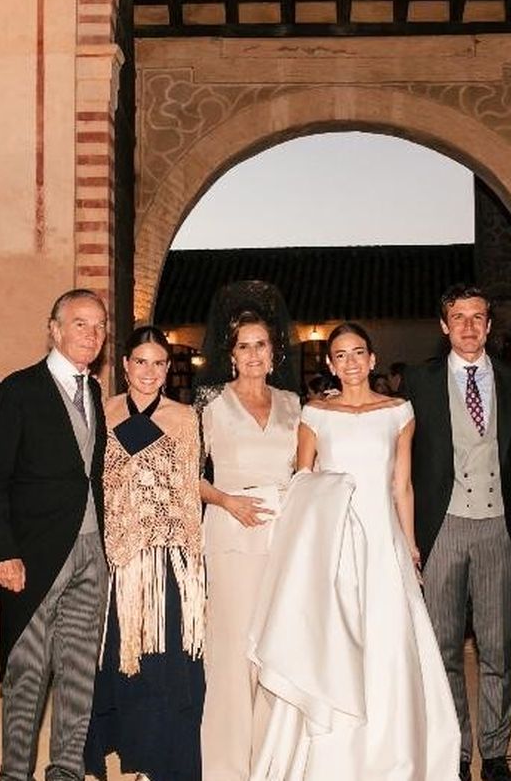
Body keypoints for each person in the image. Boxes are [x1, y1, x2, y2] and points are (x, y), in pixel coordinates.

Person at [248, 322, 460, 779]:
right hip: (336, 543)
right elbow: (302, 483)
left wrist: (411, 544)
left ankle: (392, 755)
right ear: (330, 364)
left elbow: (401, 485)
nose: (350, 362)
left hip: (384, 542)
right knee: (336, 643)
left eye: (358, 353)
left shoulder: (399, 411)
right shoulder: (315, 414)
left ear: (372, 359)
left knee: (389, 642)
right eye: (340, 355)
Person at [0, 289, 110, 781]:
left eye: (98, 326)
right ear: (53, 329)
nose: (91, 334)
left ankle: (66, 771)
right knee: (28, 673)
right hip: (32, 556)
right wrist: (4, 552)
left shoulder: (95, 392)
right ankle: (16, 773)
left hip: (90, 551)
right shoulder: (18, 390)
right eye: (79, 323)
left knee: (78, 673)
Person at [404, 285, 511, 781]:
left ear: (488, 325)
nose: (469, 327)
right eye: (459, 318)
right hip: (443, 528)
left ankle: (496, 754)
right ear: (444, 325)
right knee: (444, 649)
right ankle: (455, 751)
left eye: (478, 318)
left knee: (498, 648)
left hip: (498, 527)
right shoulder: (419, 381)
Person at [83, 326, 206, 780]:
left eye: (159, 363)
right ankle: (127, 751)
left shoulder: (184, 416)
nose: (149, 372)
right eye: (140, 362)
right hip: (115, 557)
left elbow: (189, 493)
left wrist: (192, 564)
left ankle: (159, 761)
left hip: (166, 558)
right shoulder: (103, 410)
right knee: (117, 658)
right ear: (124, 365)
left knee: (165, 660)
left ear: (168, 369)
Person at [197, 309, 303, 781]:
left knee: (275, 649)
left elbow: (307, 472)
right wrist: (225, 501)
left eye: (261, 345)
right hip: (230, 535)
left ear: (273, 352)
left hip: (283, 540)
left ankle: (270, 759)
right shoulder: (211, 404)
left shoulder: (293, 403)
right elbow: (187, 474)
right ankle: (225, 766)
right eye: (245, 346)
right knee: (232, 651)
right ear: (232, 354)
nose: (254, 354)